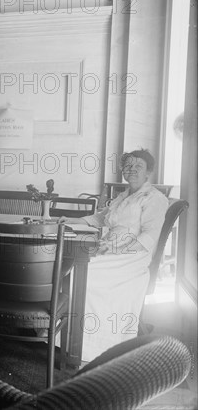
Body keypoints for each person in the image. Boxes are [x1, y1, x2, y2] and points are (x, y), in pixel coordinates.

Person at [58, 149, 168, 361]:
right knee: (72, 266)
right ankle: (67, 336)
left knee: (82, 272)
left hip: (132, 256)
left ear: (148, 172)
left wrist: (118, 249)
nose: (132, 170)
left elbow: (149, 236)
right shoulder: (123, 196)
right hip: (110, 248)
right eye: (128, 166)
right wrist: (76, 221)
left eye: (138, 166)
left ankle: (92, 345)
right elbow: (102, 218)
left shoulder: (155, 198)